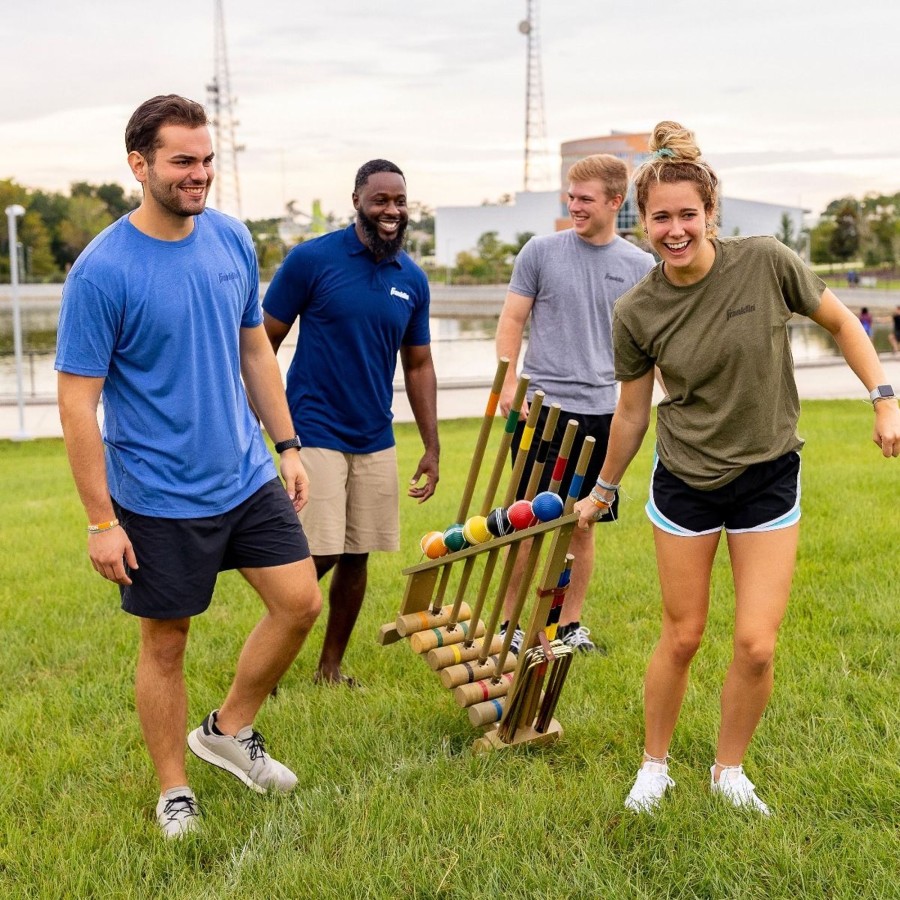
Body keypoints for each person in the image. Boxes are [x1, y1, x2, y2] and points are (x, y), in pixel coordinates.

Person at [574, 121, 900, 816]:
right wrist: (603, 488)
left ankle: (729, 771)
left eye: (688, 214)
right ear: (644, 222)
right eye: (661, 217)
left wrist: (884, 399)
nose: (675, 229)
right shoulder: (636, 310)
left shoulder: (767, 261)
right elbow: (631, 412)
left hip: (767, 476)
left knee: (755, 644)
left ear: (711, 213)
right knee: (683, 634)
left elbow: (844, 324)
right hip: (685, 480)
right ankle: (654, 766)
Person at [55, 95, 322, 839]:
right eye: (182, 161)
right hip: (158, 493)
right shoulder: (103, 271)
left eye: (206, 161)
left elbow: (253, 349)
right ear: (139, 165)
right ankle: (175, 790)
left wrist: (288, 444)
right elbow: (77, 405)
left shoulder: (231, 240)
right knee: (166, 642)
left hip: (243, 474)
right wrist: (101, 521)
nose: (198, 175)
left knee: (300, 602)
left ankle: (227, 730)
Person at [263, 159, 439, 686]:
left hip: (375, 435)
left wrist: (431, 447)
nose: (391, 210)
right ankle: (266, 661)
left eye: (399, 201)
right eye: (381, 199)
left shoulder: (412, 278)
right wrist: (271, 426)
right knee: (319, 552)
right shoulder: (311, 260)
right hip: (313, 427)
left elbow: (419, 364)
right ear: (358, 200)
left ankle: (330, 669)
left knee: (358, 553)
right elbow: (261, 343)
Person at [495, 154, 654, 654]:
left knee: (583, 523)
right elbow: (512, 321)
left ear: (615, 201)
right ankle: (508, 625)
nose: (574, 206)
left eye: (585, 199)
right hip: (542, 409)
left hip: (602, 414)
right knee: (527, 521)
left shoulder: (639, 266)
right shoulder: (539, 252)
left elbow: (652, 344)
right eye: (571, 196)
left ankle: (567, 627)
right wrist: (506, 384)